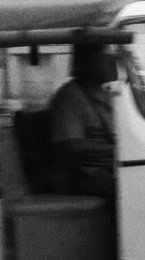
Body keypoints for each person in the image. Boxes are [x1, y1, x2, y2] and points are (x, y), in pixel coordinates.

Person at [49, 43, 117, 199]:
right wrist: (116, 150)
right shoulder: (70, 96)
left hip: (106, 168)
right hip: (77, 175)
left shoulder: (108, 93)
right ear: (89, 61)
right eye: (106, 53)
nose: (112, 59)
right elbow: (74, 145)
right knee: (126, 191)